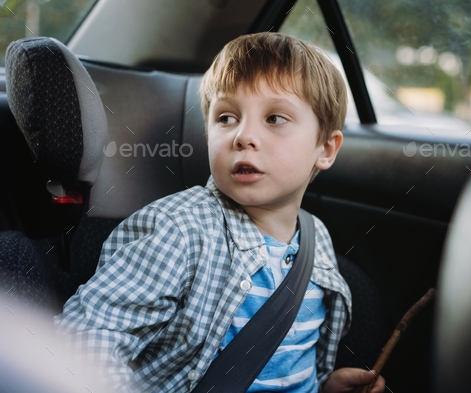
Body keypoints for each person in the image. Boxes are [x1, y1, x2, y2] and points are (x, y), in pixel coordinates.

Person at [55, 32, 386, 393]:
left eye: (274, 118)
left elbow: (284, 363)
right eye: (227, 117)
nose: (243, 136)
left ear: (325, 148)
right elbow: (86, 341)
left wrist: (321, 386)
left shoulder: (316, 238)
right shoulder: (178, 230)